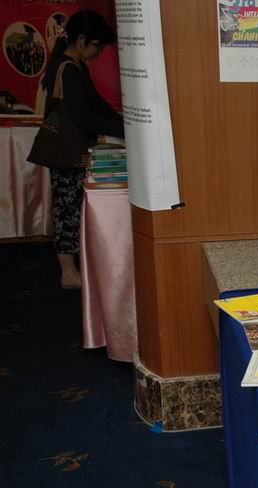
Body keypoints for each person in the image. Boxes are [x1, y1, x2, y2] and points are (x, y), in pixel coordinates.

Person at [37, 10, 123, 289]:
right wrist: (124, 129)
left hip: (71, 150)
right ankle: (68, 272)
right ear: (82, 39)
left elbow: (95, 103)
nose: (99, 52)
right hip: (67, 152)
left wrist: (124, 123)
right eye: (97, 45)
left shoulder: (75, 65)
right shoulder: (69, 69)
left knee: (71, 208)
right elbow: (84, 116)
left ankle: (73, 269)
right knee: (67, 210)